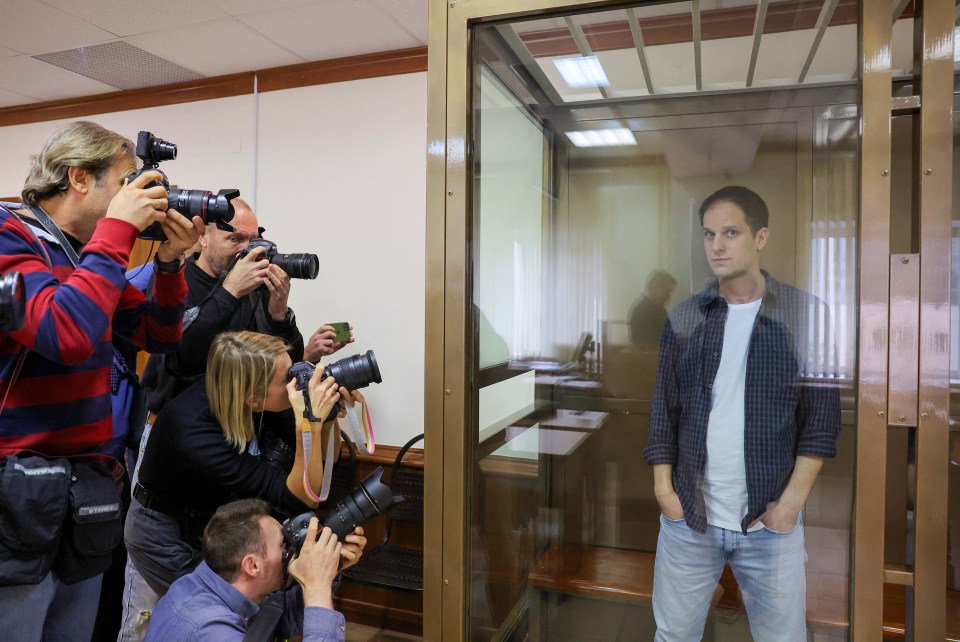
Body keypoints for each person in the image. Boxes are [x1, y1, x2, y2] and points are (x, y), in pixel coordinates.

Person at [0, 120, 203, 641]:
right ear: (79, 178)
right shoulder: (10, 237)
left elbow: (158, 333)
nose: (142, 196)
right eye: (128, 181)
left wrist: (170, 261)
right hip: (18, 492)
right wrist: (116, 233)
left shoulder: (84, 257)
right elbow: (64, 332)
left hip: (84, 487)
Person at [643, 185, 841, 641]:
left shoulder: (806, 315)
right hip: (689, 519)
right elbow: (662, 412)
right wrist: (664, 493)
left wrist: (789, 508)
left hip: (768, 523)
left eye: (731, 232)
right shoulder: (686, 317)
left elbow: (821, 422)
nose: (717, 245)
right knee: (673, 636)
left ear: (761, 237)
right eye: (710, 234)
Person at [121, 331, 365, 640]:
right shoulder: (191, 430)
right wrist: (309, 422)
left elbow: (317, 475)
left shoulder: (251, 396)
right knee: (193, 621)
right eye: (286, 380)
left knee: (246, 615)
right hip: (162, 532)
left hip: (210, 521)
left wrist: (326, 418)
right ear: (253, 397)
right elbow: (301, 497)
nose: (295, 384)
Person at [141, 198, 352, 415]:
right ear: (203, 237)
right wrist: (230, 291)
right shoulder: (175, 280)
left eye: (253, 240)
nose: (248, 250)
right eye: (235, 238)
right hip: (180, 418)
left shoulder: (254, 285)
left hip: (240, 420)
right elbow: (180, 362)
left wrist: (279, 314)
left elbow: (286, 363)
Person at [145, 498, 355, 641]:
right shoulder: (212, 630)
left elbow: (276, 619)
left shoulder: (207, 585)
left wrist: (328, 569)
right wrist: (317, 587)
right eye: (284, 544)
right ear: (252, 565)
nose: (291, 550)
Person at [628, 269, 677, 347]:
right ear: (653, 288)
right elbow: (647, 345)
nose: (668, 296)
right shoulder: (641, 311)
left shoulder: (659, 309)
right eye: (666, 292)